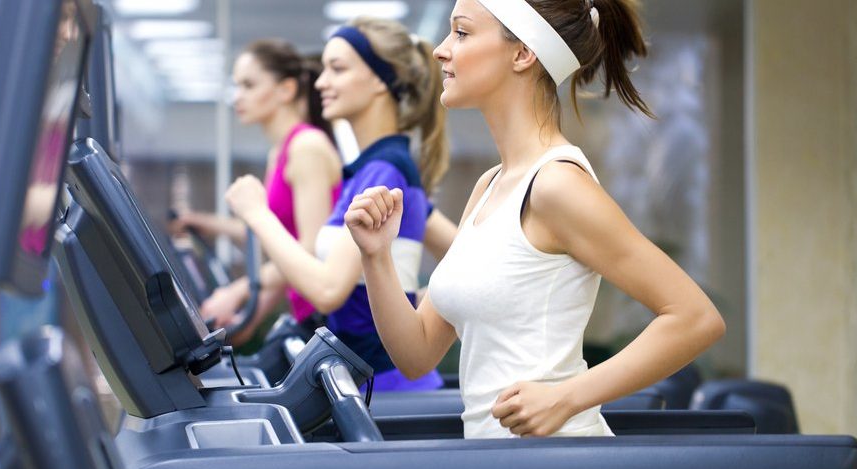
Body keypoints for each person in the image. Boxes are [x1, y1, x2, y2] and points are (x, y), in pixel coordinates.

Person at [344, 0, 725, 437]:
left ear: (523, 52)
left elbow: (695, 318)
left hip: (558, 465)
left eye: (462, 33)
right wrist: (376, 257)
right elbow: (416, 355)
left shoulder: (556, 186)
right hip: (500, 467)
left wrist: (568, 397)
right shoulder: (489, 186)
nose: (440, 50)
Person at [224, 17, 449, 391]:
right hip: (363, 383)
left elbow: (329, 290)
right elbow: (465, 253)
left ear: (380, 79)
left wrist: (257, 213)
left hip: (388, 390)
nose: (321, 82)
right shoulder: (370, 170)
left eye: (337, 69)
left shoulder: (386, 170)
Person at [172, 39, 342, 346]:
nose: (238, 97)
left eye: (249, 85)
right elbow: (281, 241)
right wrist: (250, 317)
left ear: (286, 90)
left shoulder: (307, 147)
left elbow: (308, 248)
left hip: (334, 321)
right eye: (236, 86)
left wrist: (238, 293)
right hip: (307, 314)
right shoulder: (281, 151)